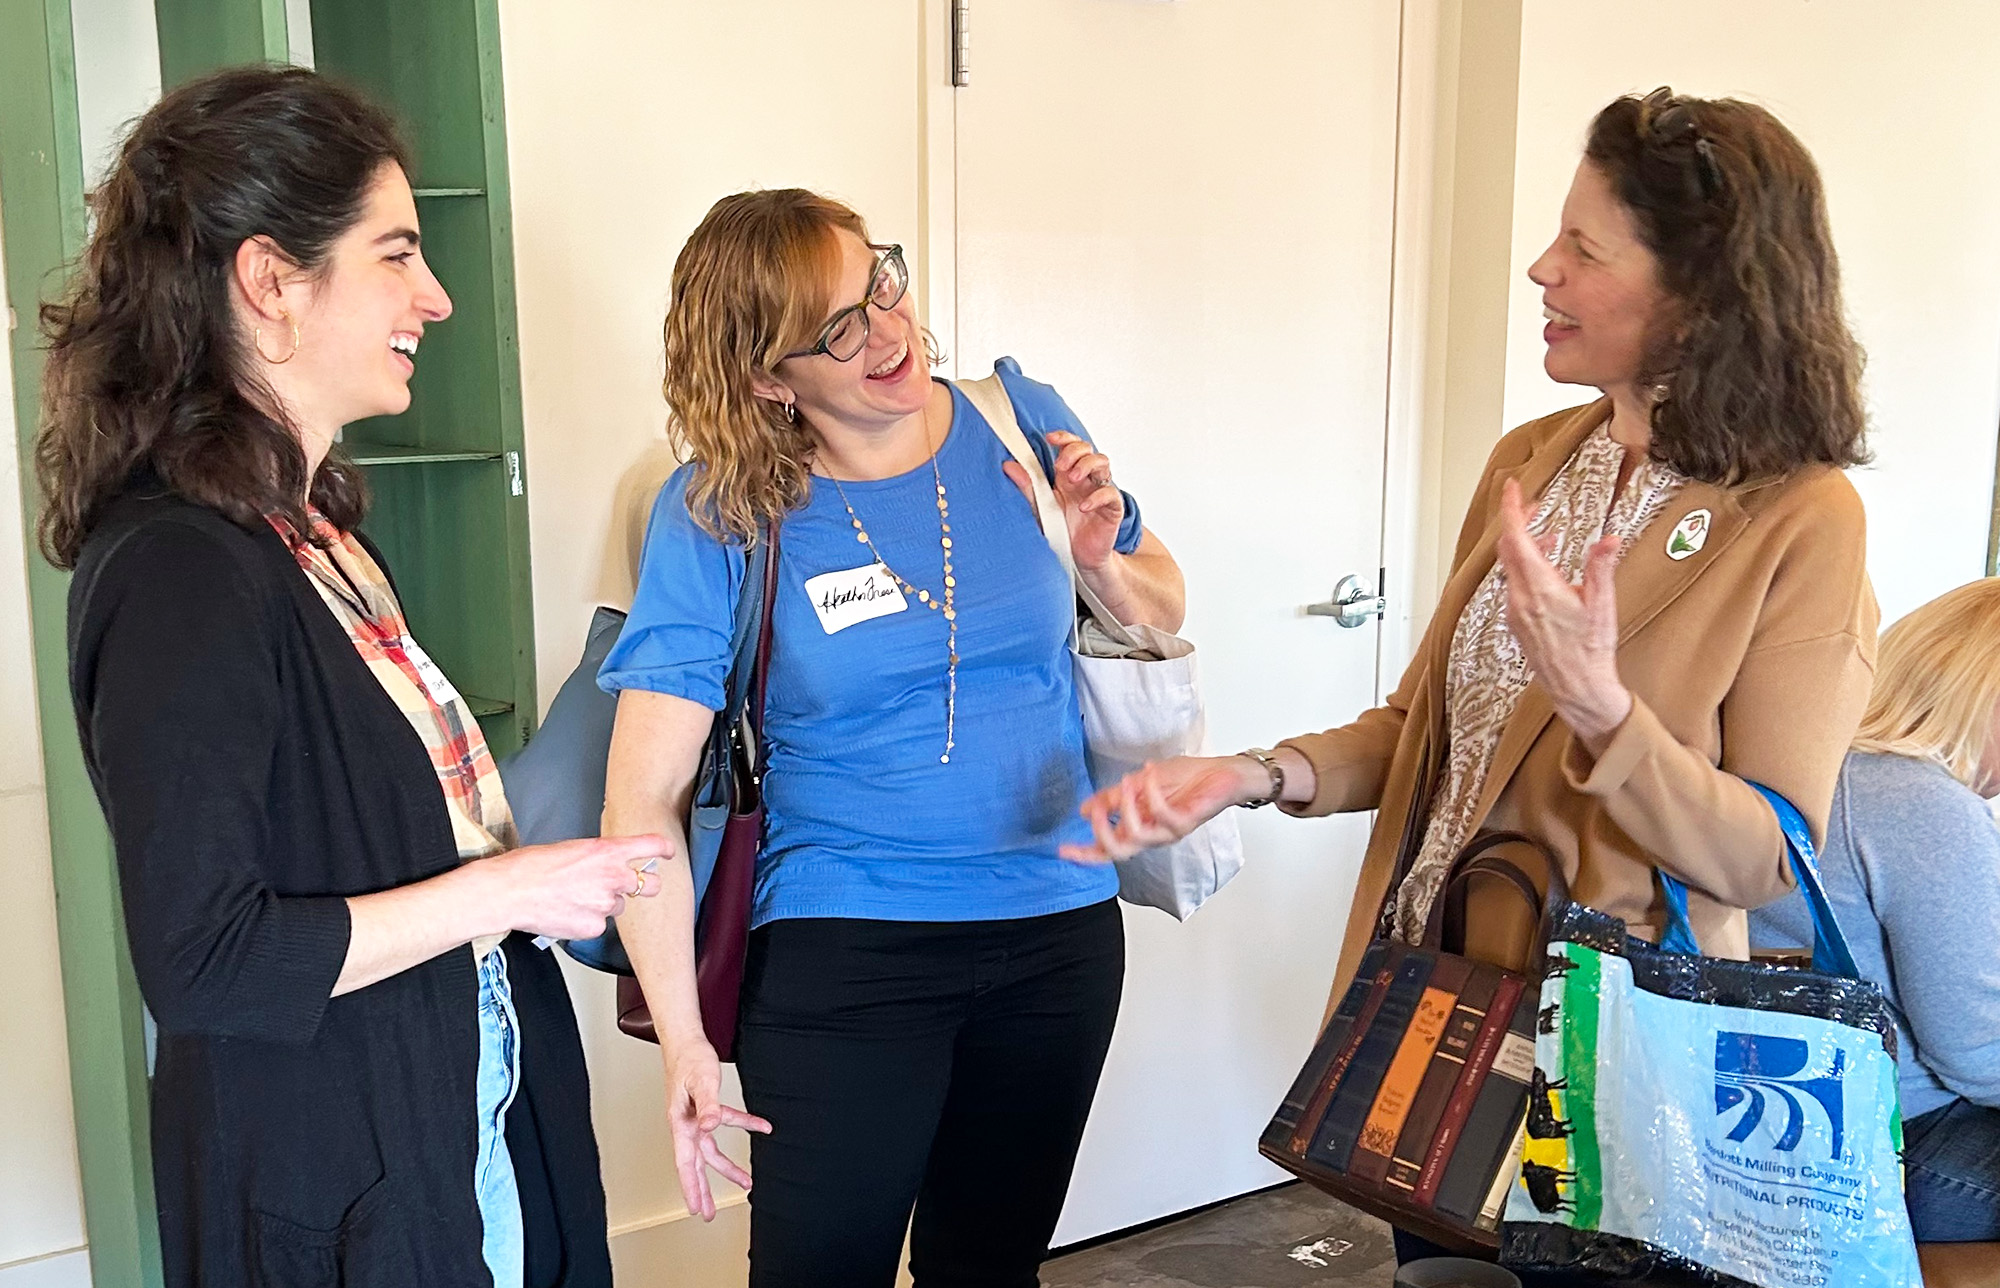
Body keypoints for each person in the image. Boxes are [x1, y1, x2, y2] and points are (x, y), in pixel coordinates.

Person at [1066, 89, 1876, 1274]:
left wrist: (1604, 709)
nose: (1540, 269)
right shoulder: (1532, 461)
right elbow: (1428, 728)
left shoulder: (1800, 516)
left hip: (1611, 1061)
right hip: (1441, 1010)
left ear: (1699, 297)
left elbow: (1766, 854)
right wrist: (1250, 773)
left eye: (1585, 249)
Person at [39, 66, 667, 1288]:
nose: (433, 298)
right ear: (271, 283)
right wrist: (509, 888)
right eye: (396, 255)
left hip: (454, 1117)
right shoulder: (180, 570)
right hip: (334, 1180)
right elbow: (207, 958)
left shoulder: (318, 536)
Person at [598, 188, 1186, 1287]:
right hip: (843, 951)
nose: (887, 331)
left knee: (990, 1266)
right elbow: (641, 798)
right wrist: (684, 1039)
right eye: (837, 327)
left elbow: (1158, 607)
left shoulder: (1019, 415)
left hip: (1057, 935)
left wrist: (1100, 557)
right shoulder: (722, 507)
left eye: (880, 281)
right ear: (768, 378)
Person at [1752, 579, 2000, 1245]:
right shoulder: (1930, 808)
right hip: (1893, 1148)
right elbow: (1977, 1056)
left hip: (1769, 1132)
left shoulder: (1810, 769)